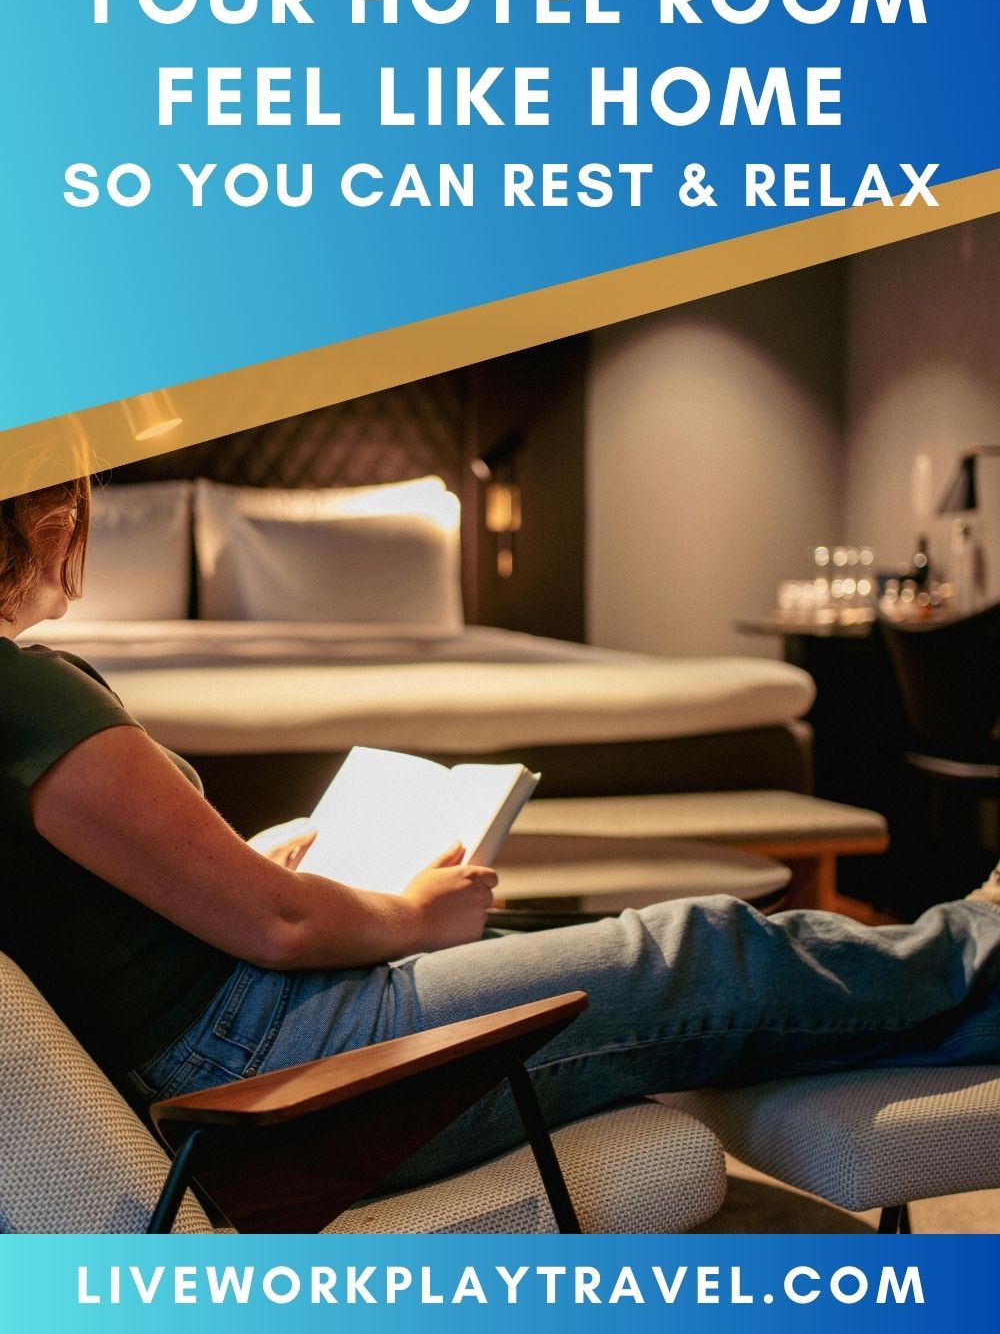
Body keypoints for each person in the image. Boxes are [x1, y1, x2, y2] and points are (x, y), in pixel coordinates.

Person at [2, 476, 1000, 1191]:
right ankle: (979, 947)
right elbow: (283, 928)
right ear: (51, 523)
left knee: (654, 944)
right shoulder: (23, 691)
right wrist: (408, 914)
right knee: (696, 945)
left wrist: (228, 874)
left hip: (226, 1041)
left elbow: (87, 905)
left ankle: (953, 957)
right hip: (270, 1056)